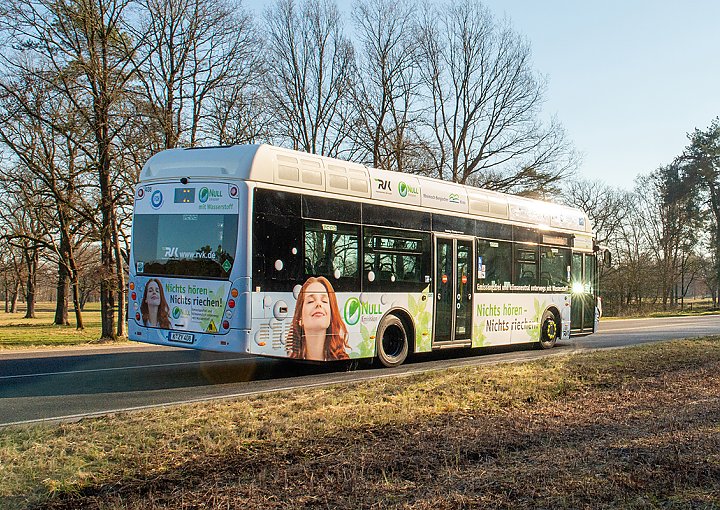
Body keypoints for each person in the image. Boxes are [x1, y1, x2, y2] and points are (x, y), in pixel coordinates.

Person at [287, 276, 349, 361]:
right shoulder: (290, 365)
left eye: (324, 301)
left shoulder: (343, 363)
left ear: (331, 316)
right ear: (300, 319)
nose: (319, 304)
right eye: (310, 301)